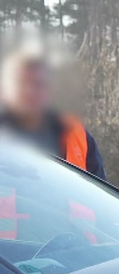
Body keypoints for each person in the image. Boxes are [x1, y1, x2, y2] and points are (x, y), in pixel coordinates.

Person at [0, 46, 106, 181]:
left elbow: (97, 196)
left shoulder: (78, 136)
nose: (30, 92)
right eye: (22, 83)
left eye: (38, 84)